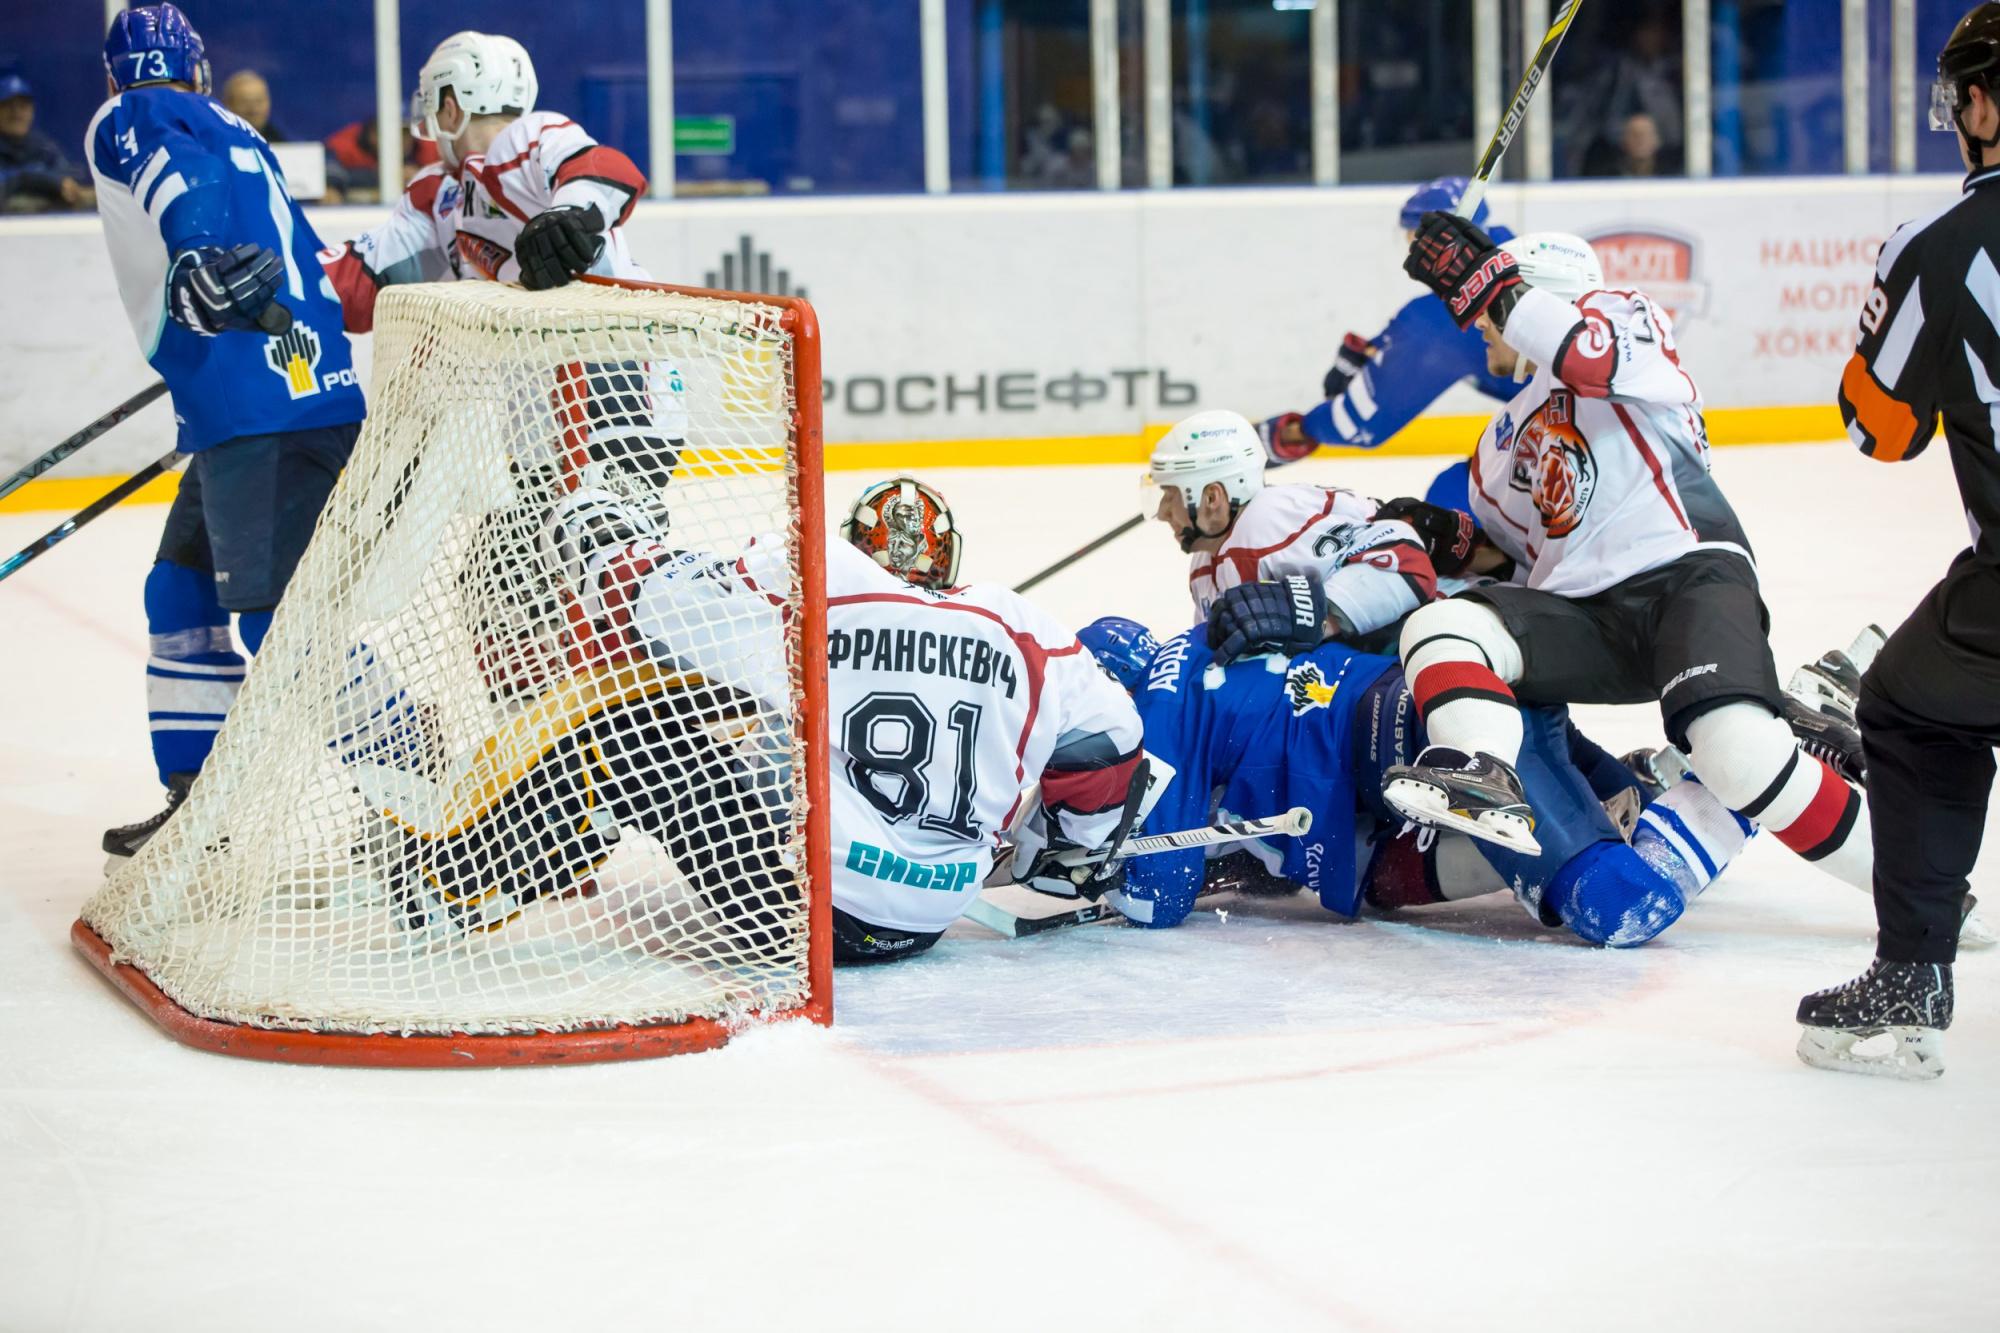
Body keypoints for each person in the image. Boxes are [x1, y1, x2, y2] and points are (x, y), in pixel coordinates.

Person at [382, 476, 1151, 964]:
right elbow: (1109, 748)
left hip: (797, 910)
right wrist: (1069, 856)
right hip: (934, 916)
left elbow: (653, 597)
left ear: (856, 544)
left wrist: (599, 536)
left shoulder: (821, 583)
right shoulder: (1022, 624)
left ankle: (453, 888)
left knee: (628, 733)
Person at [1375, 218, 1877, 930]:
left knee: (1737, 755)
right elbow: (1513, 553)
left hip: (1686, 575)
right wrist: (1448, 537)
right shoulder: (1499, 440)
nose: (1481, 329)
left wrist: (1481, 275)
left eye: (1491, 312)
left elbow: (1585, 356)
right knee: (1442, 624)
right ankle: (1482, 773)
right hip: (1588, 620)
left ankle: (1920, 884)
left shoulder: (1624, 316)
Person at [86, 4, 365, 857]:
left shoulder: (132, 111)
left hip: (265, 414)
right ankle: (199, 812)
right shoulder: (242, 129)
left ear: (112, 75)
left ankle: (429, 805)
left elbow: (178, 179)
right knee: (180, 591)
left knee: (282, 631)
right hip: (261, 401)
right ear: (200, 70)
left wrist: (198, 258)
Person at [1075, 616, 1752, 947]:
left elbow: (1158, 892)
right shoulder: (1197, 647)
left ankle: (1758, 767)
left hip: (1430, 731)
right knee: (1380, 881)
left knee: (1623, 905)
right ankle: (1640, 792)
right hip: (1439, 696)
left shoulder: (1157, 711)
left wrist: (1080, 868)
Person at [1797, 3, 2000, 1079]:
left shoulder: (1940, 245)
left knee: (1908, 707)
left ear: (1980, 102)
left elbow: (1878, 431)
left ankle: (1911, 971)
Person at [319, 31, 649, 332]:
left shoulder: (525, 138)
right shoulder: (441, 194)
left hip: (613, 362)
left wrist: (569, 217)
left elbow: (606, 168)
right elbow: (350, 283)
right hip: (540, 374)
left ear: (450, 109)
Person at [1256, 176, 1521, 516]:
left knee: (1452, 500)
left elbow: (1365, 423)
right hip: (1591, 427)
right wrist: (1382, 348)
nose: (1412, 253)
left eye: (1414, 240)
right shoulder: (1523, 253)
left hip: (1567, 451)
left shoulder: (1443, 318)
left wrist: (1298, 431)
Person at [1142, 408, 1441, 656]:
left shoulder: (1270, 524)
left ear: (1211, 498)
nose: (1163, 512)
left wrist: (1321, 617)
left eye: (1171, 495)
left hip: (1421, 649)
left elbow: (1408, 564)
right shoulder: (1203, 565)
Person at [0, 74, 93, 211]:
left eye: (23, 106)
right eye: (9, 106)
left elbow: (69, 181)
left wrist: (65, 186)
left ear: (32, 111)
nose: (16, 113)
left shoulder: (42, 146)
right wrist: (42, 181)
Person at [218, 70, 285, 142]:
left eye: (258, 101)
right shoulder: (217, 142)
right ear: (228, 105)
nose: (253, 110)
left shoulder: (281, 143)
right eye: (245, 102)